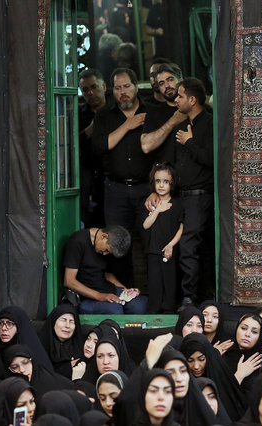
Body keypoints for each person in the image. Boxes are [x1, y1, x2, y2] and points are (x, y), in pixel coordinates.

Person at [151, 77, 215, 308]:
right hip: (182, 197)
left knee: (191, 246)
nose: (176, 99)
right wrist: (159, 189)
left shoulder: (210, 124)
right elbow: (173, 163)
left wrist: (189, 142)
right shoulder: (180, 126)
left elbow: (212, 160)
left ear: (193, 99)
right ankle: (183, 296)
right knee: (180, 246)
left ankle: (191, 297)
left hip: (201, 196)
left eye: (180, 95)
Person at [92, 67, 151, 288]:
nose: (123, 92)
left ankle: (153, 299)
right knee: (117, 245)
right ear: (111, 90)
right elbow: (99, 147)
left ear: (136, 87)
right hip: (115, 190)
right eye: (117, 88)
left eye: (127, 86)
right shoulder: (104, 116)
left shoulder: (150, 112)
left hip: (146, 189)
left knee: (150, 242)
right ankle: (124, 296)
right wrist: (127, 125)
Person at [62, 225, 148, 314]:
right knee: (114, 310)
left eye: (108, 252)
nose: (105, 254)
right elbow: (69, 281)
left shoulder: (105, 248)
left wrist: (126, 291)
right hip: (87, 296)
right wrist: (99, 296)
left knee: (138, 306)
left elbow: (107, 275)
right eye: (106, 250)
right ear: (104, 236)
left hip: (107, 289)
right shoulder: (78, 241)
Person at [142, 162, 184, 313]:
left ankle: (169, 312)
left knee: (169, 281)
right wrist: (158, 210)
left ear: (172, 183)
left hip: (169, 250)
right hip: (154, 250)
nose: (161, 185)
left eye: (165, 182)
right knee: (154, 282)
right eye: (158, 181)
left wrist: (171, 245)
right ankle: (153, 312)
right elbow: (146, 225)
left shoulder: (177, 204)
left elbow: (181, 228)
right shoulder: (152, 204)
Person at [78, 68, 108, 228]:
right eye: (85, 89)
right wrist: (87, 132)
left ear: (103, 86)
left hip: (111, 177)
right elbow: (70, 145)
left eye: (94, 87)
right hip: (87, 179)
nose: (90, 93)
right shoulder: (77, 115)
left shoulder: (115, 111)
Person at [0, 306, 53, 371]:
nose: (4, 328)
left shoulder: (31, 351)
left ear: (18, 326)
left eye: (9, 323)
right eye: (1, 323)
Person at [2, 344, 73, 397]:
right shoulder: (7, 390)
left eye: (25, 362)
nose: (22, 370)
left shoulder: (54, 386)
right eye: (15, 367)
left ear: (33, 362)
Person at [222, 313, 262, 393]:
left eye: (254, 332)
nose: (247, 334)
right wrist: (239, 375)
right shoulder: (224, 356)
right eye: (244, 328)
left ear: (260, 336)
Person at [38, 304, 84, 380]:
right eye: (63, 320)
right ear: (53, 322)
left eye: (71, 321)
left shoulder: (80, 348)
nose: (67, 325)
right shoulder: (40, 346)